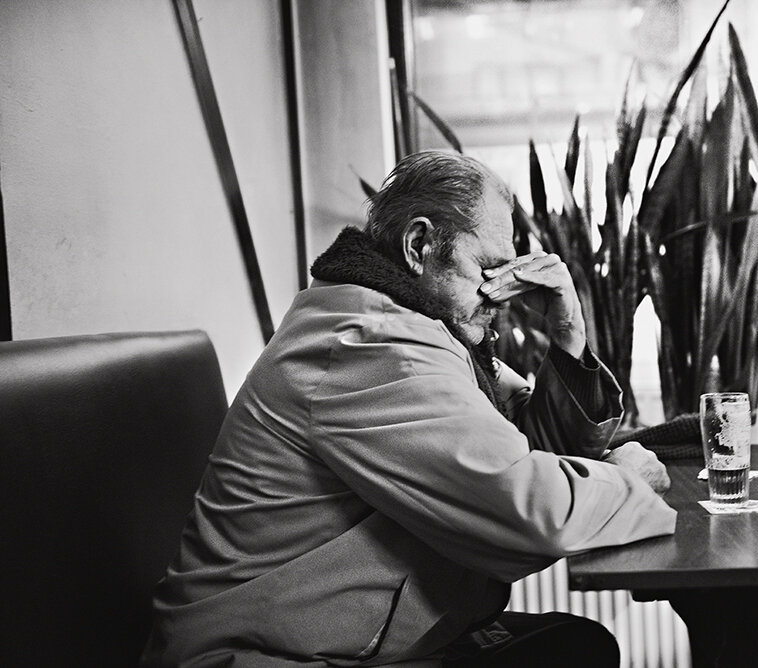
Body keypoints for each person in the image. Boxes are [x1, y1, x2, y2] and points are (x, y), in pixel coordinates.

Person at [141, 150, 677, 667]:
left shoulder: (417, 330)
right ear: (419, 245)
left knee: (576, 647)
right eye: (488, 268)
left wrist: (568, 333)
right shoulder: (372, 345)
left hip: (337, 642)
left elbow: (529, 449)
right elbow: (536, 515)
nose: (502, 293)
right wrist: (628, 479)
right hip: (266, 656)